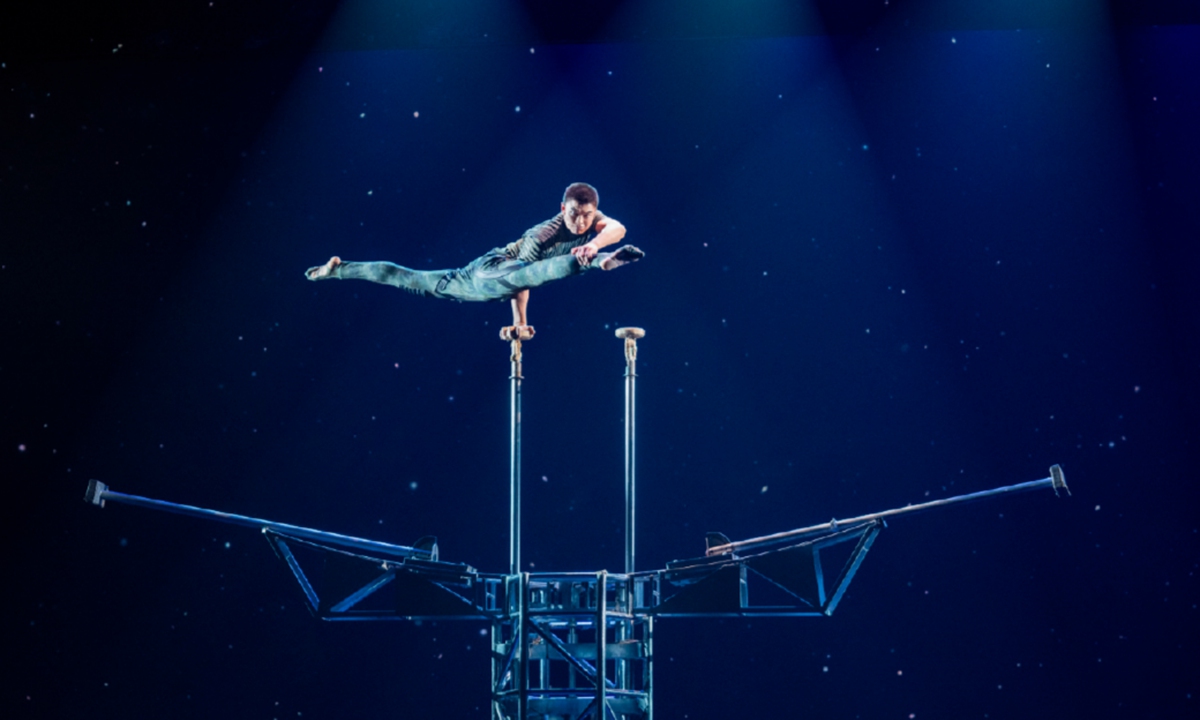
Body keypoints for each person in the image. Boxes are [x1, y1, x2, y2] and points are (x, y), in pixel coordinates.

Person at [305, 182, 642, 332]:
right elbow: (523, 277)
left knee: (404, 277)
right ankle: (598, 262)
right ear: (561, 209)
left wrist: (596, 247)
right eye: (573, 214)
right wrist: (520, 322)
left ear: (594, 210)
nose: (580, 221)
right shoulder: (544, 233)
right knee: (552, 269)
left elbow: (620, 227)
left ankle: (338, 269)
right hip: (489, 273)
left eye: (586, 215)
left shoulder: (593, 223)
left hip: (468, 280)